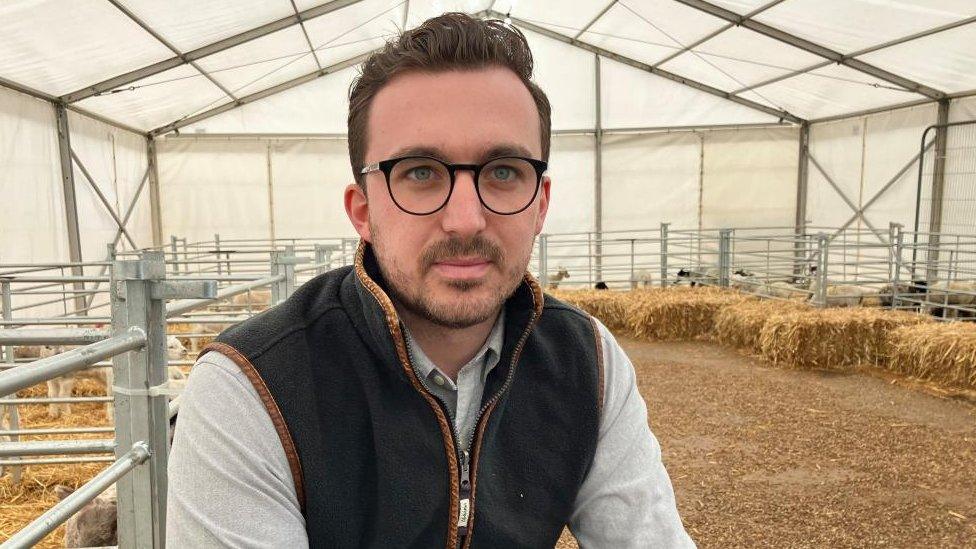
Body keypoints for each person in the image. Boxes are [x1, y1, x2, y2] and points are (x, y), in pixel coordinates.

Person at [167, 12, 694, 548]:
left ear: (540, 204)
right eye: (420, 173)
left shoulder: (587, 363)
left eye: (504, 171)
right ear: (363, 210)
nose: (466, 219)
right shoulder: (254, 388)